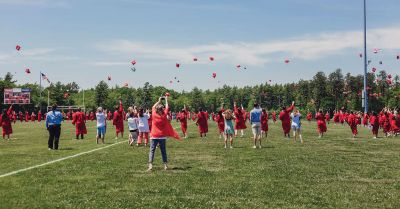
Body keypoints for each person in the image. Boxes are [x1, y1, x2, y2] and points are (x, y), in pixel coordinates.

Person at [148, 96, 181, 171]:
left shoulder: (153, 114)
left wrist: (159, 100)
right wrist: (166, 99)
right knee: (163, 151)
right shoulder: (164, 115)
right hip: (162, 136)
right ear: (162, 109)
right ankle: (165, 165)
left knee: (152, 150)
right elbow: (167, 107)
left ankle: (150, 165)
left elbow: (153, 106)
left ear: (156, 109)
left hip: (154, 135)